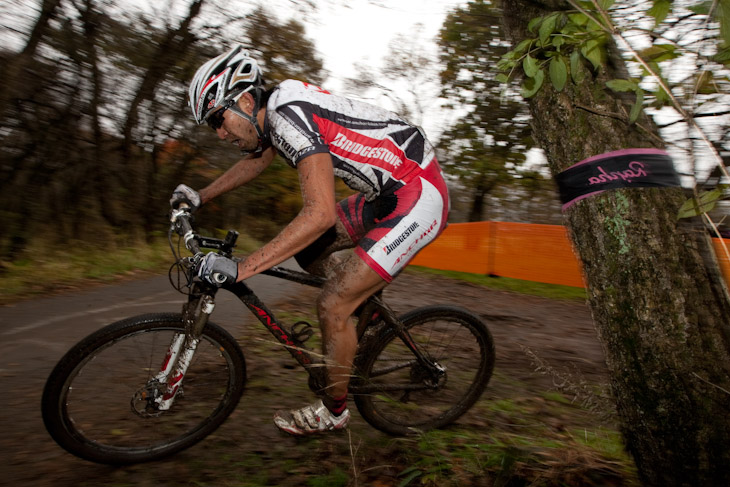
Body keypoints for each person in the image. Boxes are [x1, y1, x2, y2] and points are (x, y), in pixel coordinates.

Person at [171, 45, 450, 435]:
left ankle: (333, 413)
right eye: (212, 126)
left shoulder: (289, 115)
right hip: (385, 193)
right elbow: (258, 159)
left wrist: (241, 268)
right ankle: (360, 310)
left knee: (332, 304)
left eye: (219, 119)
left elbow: (319, 215)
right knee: (309, 252)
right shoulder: (275, 111)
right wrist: (201, 196)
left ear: (246, 100)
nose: (219, 133)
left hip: (418, 196)